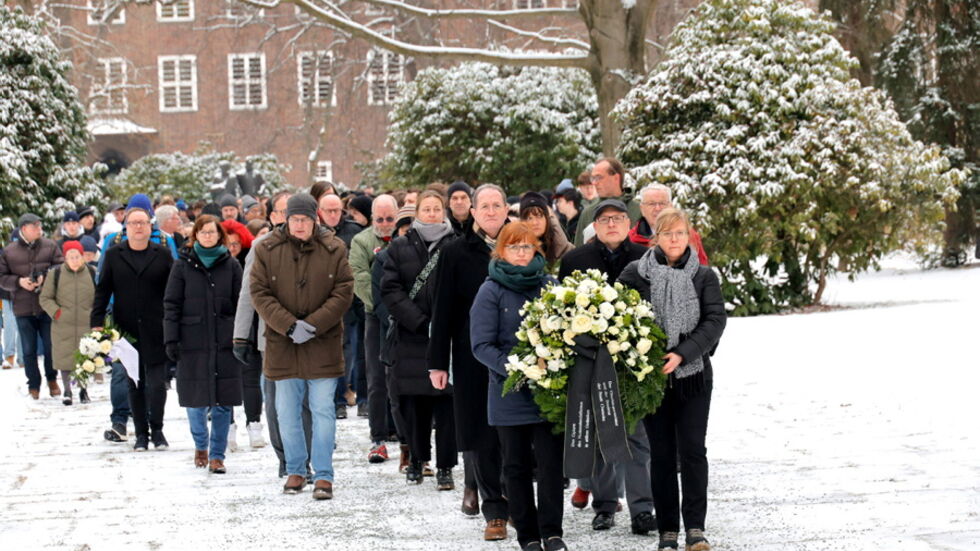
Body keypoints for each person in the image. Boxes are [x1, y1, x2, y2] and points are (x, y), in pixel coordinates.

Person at [618, 208, 726, 551]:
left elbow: (715, 321)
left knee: (693, 451)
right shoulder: (636, 274)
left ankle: (695, 528)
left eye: (680, 233)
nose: (675, 239)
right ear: (656, 238)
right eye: (667, 234)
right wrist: (643, 356)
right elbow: (618, 317)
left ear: (689, 235)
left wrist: (682, 353)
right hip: (651, 379)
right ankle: (667, 530)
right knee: (661, 454)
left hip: (693, 376)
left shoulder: (704, 276)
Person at [558, 199, 654, 535]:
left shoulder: (644, 258)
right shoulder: (575, 260)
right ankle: (604, 504)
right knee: (600, 432)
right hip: (590, 357)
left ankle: (643, 508)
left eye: (617, 218)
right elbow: (563, 309)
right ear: (594, 226)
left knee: (636, 434)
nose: (611, 224)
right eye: (604, 219)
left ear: (628, 223)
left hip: (633, 357)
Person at [250, 193, 354, 499]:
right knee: (286, 411)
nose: (299, 225)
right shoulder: (267, 248)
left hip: (322, 343)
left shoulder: (334, 248)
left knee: (323, 410)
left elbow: (344, 290)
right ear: (286, 220)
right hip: (283, 344)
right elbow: (259, 291)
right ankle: (295, 469)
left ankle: (323, 474)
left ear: (314, 220)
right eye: (294, 219)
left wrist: (314, 323)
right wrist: (288, 325)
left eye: (304, 220)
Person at [470, 223, 567, 551]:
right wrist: (517, 369)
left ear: (537, 249)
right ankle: (528, 535)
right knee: (516, 466)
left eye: (528, 247)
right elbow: (481, 345)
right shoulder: (490, 290)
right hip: (509, 391)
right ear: (501, 251)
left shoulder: (551, 285)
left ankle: (552, 532)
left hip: (549, 392)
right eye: (515, 247)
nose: (522, 253)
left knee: (552, 466)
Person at [428, 183, 511, 536]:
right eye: (484, 207)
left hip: (518, 354)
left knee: (516, 433)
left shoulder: (522, 245)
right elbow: (442, 308)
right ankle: (494, 510)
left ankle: (518, 501)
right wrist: (437, 362)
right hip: (471, 354)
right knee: (481, 432)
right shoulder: (456, 252)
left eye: (497, 205)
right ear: (472, 212)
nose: (491, 212)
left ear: (507, 209)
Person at [381, 190, 457, 490]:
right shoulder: (400, 247)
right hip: (411, 336)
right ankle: (416, 458)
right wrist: (420, 321)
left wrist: (444, 323)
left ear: (444, 212)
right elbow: (390, 290)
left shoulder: (456, 245)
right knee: (415, 405)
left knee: (447, 406)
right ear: (417, 213)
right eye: (426, 209)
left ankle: (446, 466)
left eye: (437, 209)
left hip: (448, 335)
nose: (432, 214)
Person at [164, 215, 243, 474]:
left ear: (219, 235)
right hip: (192, 340)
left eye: (212, 232)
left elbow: (241, 303)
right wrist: (171, 338)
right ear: (195, 235)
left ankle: (218, 455)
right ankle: (201, 445)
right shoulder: (182, 265)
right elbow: (172, 304)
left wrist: (239, 333)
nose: (208, 236)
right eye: (203, 232)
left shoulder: (231, 265)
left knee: (222, 402)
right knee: (195, 400)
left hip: (224, 340)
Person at [91, 206, 174, 451]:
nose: (138, 227)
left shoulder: (162, 254)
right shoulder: (115, 254)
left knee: (158, 383)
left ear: (151, 227)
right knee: (134, 383)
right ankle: (140, 433)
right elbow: (103, 290)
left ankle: (157, 430)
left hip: (157, 327)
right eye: (133, 223)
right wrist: (96, 322)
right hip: (126, 330)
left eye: (143, 223)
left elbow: (173, 291)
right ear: (126, 228)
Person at [234, 191, 302, 471]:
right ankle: (285, 458)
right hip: (271, 335)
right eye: (283, 212)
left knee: (307, 402)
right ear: (273, 216)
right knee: (276, 403)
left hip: (311, 334)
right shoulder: (261, 246)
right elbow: (248, 294)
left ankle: (305, 456)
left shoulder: (318, 242)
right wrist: (240, 335)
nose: (290, 219)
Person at [349, 194, 399, 464]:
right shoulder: (362, 241)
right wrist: (385, 309)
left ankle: (401, 432)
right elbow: (360, 278)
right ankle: (378, 436)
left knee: (401, 377)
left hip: (405, 318)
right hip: (375, 316)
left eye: (390, 218)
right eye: (379, 219)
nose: (385, 224)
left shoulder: (405, 238)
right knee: (377, 378)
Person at [0, 213, 64, 399]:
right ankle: (33, 385)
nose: (39, 229)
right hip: (22, 306)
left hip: (47, 304)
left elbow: (60, 267)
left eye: (39, 225)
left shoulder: (50, 245)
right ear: (24, 229)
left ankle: (52, 379)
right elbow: (2, 277)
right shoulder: (9, 251)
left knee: (50, 346)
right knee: (28, 350)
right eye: (35, 226)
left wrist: (46, 276)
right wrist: (19, 282)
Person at [319, 193, 368, 419]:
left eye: (336, 210)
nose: (332, 215)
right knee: (337, 351)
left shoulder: (354, 231)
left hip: (356, 299)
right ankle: (338, 399)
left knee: (358, 350)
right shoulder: (314, 232)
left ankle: (363, 398)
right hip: (326, 301)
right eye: (328, 210)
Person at [39, 240, 95, 406]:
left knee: (85, 358)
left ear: (83, 256)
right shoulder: (55, 274)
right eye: (71, 257)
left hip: (86, 322)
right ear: (65, 258)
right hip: (63, 323)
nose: (75, 260)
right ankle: (67, 390)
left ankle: (83, 390)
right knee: (65, 359)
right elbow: (45, 298)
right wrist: (57, 312)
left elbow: (100, 296)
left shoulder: (92, 272)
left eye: (77, 256)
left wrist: (94, 313)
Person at [629, 184, 709, 265]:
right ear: (642, 209)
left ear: (670, 206)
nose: (657, 208)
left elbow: (702, 270)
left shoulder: (689, 236)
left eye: (662, 203)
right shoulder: (630, 239)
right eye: (651, 204)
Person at [573, 158, 642, 246]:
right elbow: (578, 253)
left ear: (616, 178)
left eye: (598, 177)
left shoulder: (639, 210)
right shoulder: (588, 213)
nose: (594, 183)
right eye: (593, 178)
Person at [519, 192, 573, 268]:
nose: (535, 223)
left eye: (539, 216)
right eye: (529, 218)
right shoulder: (516, 253)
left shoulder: (568, 251)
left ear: (547, 219)